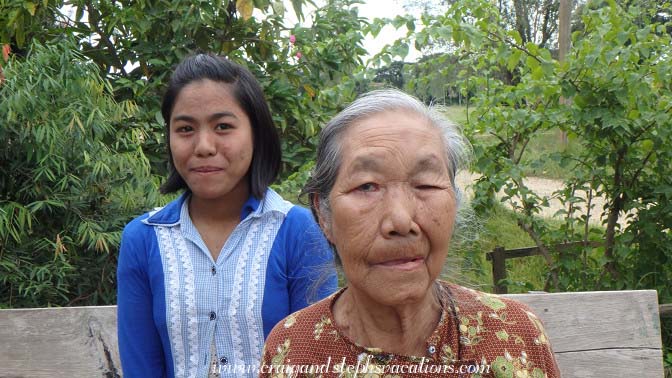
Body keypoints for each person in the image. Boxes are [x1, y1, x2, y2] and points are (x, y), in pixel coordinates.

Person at [260, 89, 560, 377]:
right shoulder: (292, 352)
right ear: (324, 215)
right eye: (366, 186)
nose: (401, 220)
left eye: (426, 185)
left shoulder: (513, 336)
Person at [117, 54, 337, 378]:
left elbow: (317, 360)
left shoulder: (297, 231)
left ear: (256, 133)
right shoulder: (143, 239)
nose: (204, 146)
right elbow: (141, 367)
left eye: (223, 126)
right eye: (185, 129)